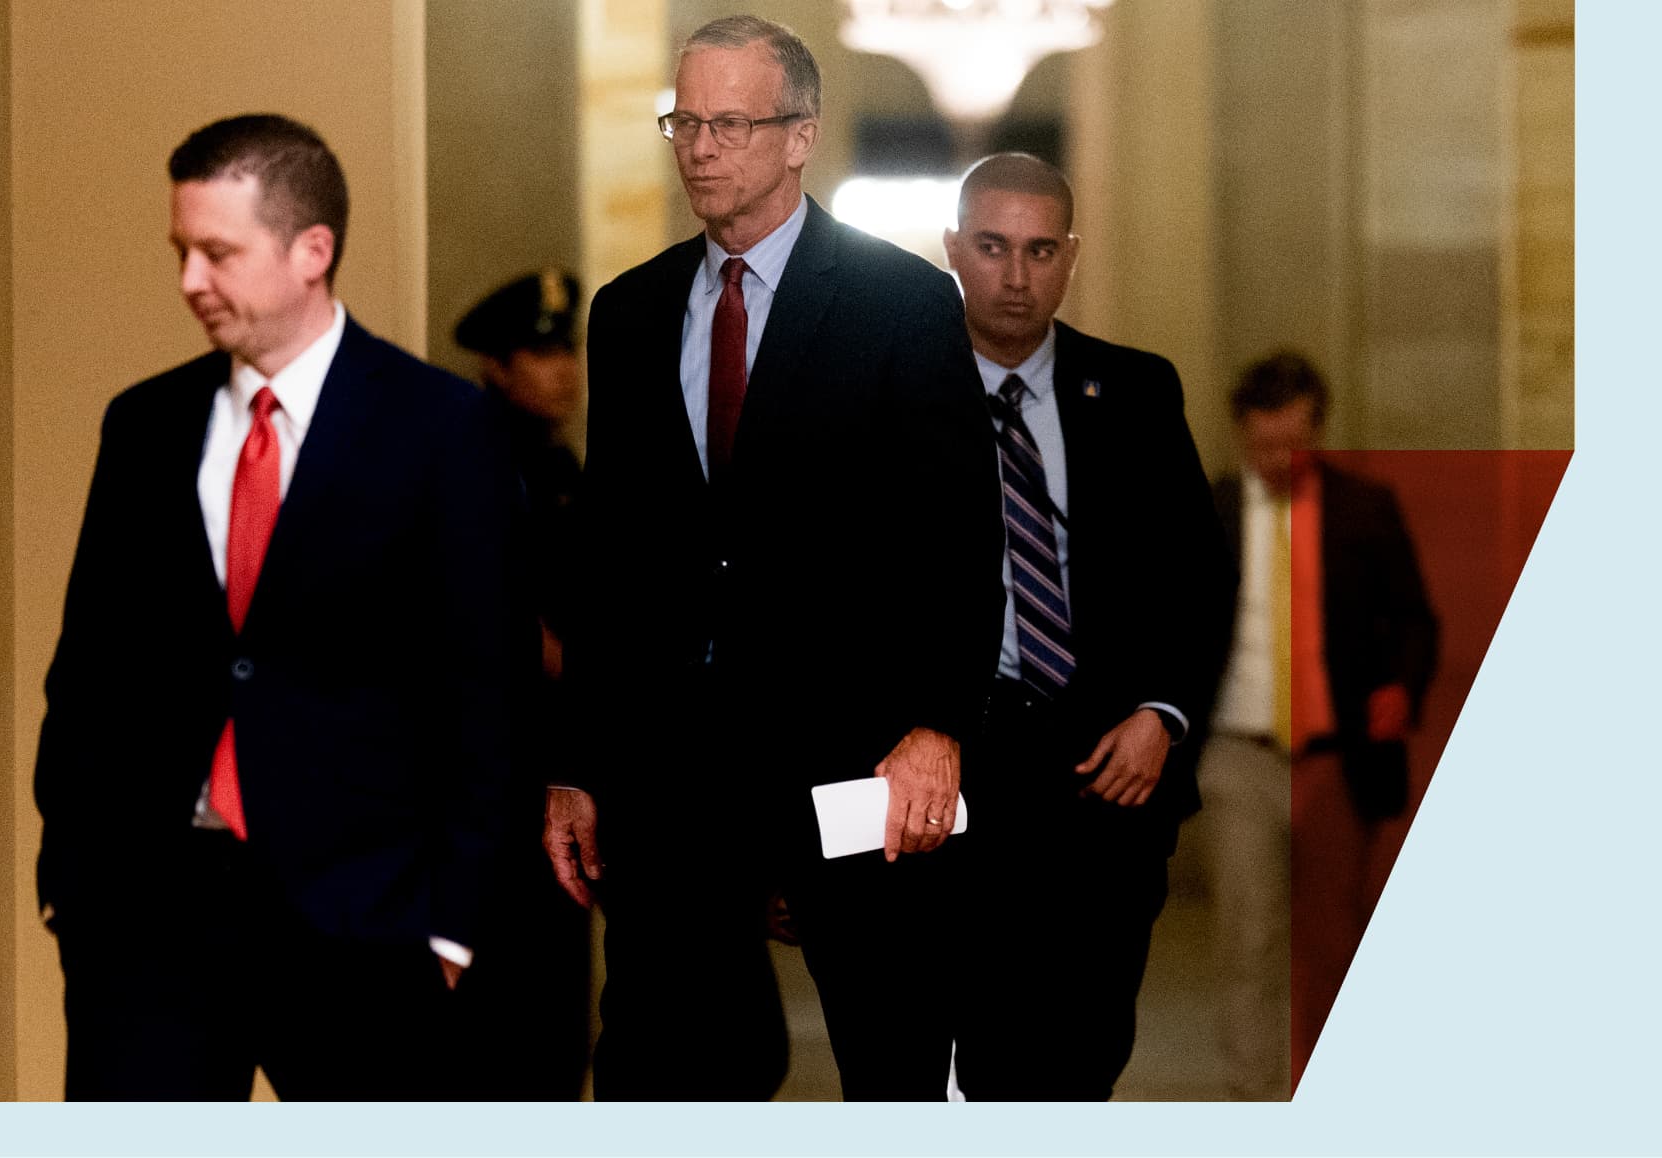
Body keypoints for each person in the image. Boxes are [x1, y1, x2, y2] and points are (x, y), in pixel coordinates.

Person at [543, 16, 1000, 1100]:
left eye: (730, 123)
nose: (701, 148)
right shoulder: (632, 313)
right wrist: (577, 763)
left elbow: (957, 536)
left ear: (801, 136)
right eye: (684, 122)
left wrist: (937, 727)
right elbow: (613, 561)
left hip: (855, 758)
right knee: (664, 1066)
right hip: (674, 777)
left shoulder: (902, 302)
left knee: (889, 1057)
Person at [33, 114, 527, 1100]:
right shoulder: (145, 424)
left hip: (370, 927)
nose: (189, 282)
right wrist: (74, 894)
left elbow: (491, 694)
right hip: (149, 932)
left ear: (313, 250)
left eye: (218, 253)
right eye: (182, 252)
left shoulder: (442, 427)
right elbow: (89, 673)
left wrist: (452, 926)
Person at [939, 152, 1234, 1100]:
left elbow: (1199, 577)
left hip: (1108, 774)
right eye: (991, 248)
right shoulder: (896, 390)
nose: (1016, 277)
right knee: (984, 1053)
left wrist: (1165, 712)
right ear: (953, 251)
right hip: (963, 772)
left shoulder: (1138, 391)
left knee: (1085, 1054)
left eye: (1038, 250)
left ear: (1071, 258)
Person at [1203, 351, 1438, 1092]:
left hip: (1335, 758)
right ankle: (1256, 1096)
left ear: (1319, 428)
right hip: (1236, 754)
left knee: (1335, 936)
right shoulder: (1207, 512)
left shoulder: (1364, 510)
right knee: (1249, 937)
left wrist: (1400, 686)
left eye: (1293, 444)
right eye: (1263, 445)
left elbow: (1414, 620)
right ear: (1241, 435)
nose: (1278, 460)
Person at [447, 270, 592, 1099]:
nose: (563, 368)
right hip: (495, 779)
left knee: (550, 1025)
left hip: (554, 766)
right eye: (541, 351)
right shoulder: (475, 457)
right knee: (505, 1029)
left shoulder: (554, 462)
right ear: (497, 365)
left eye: (566, 347)